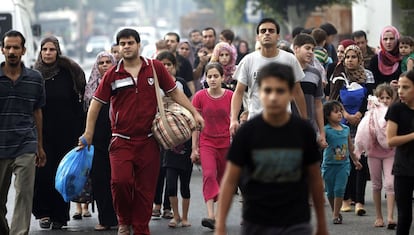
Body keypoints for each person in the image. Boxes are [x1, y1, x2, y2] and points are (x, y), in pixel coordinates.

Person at [78, 28, 204, 235]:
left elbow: (174, 93)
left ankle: (140, 228)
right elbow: (96, 104)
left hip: (148, 141)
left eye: (130, 43)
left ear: (139, 45)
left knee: (145, 191)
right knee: (120, 182)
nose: (126, 47)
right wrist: (88, 133)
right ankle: (124, 220)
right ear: (118, 47)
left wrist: (195, 113)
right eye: (122, 43)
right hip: (120, 141)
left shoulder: (154, 68)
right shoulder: (113, 74)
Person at [215, 62, 327, 235]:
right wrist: (220, 225)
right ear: (259, 93)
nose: (274, 97)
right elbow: (230, 181)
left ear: (291, 93)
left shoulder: (303, 131)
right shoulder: (246, 133)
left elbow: (315, 179)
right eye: (268, 90)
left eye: (280, 91)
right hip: (256, 222)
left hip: (296, 222)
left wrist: (321, 224)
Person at [32, 35, 86, 230]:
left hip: (67, 132)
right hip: (42, 133)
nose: (48, 53)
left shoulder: (69, 72)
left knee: (63, 175)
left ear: (58, 51)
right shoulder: (34, 75)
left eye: (51, 49)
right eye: (44, 49)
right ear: (40, 52)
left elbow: (79, 101)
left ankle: (60, 216)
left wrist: (82, 131)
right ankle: (43, 212)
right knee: (43, 175)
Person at [0, 29, 46, 235]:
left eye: (15, 47)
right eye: (8, 47)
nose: (11, 51)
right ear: (2, 50)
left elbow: (37, 111)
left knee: (23, 196)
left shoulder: (35, 79)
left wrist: (39, 145)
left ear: (23, 50)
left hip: (25, 145)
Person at [230, 18, 307, 136]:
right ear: (258, 37)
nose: (267, 33)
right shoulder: (248, 60)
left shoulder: (289, 59)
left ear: (278, 36)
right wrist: (233, 119)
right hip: (256, 123)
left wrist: (304, 121)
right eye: (263, 31)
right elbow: (239, 92)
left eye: (271, 31)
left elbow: (297, 91)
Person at [329, 44, 373, 216]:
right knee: (344, 160)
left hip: (362, 123)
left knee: (360, 160)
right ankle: (346, 198)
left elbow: (369, 97)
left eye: (354, 57)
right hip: (343, 123)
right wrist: (346, 115)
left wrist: (360, 114)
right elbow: (334, 98)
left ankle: (359, 200)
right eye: (347, 57)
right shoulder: (339, 75)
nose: (350, 60)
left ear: (360, 59)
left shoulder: (367, 74)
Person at [191, 62, 233, 230]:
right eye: (209, 76)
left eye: (216, 76)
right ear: (205, 78)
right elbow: (195, 124)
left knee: (223, 181)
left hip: (226, 143)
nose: (213, 79)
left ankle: (220, 216)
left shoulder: (231, 95)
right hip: (207, 142)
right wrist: (195, 148)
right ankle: (210, 215)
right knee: (208, 175)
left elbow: (236, 119)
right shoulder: (199, 96)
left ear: (222, 77)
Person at [155, 51, 193, 228]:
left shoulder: (181, 84)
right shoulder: (154, 85)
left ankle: (182, 216)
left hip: (184, 136)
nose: (166, 67)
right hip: (164, 136)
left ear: (174, 66)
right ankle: (171, 213)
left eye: (169, 64)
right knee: (168, 179)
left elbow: (190, 105)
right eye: (162, 64)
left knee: (184, 183)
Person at [83, 51, 118, 231]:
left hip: (119, 138)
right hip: (97, 140)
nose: (105, 65)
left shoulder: (121, 85)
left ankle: (121, 216)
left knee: (120, 179)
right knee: (100, 178)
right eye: (101, 62)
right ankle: (105, 218)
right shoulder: (91, 87)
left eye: (108, 62)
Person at [354, 83, 396, 229]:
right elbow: (362, 132)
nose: (384, 100)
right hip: (374, 153)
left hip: (390, 152)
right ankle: (379, 217)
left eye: (388, 97)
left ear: (392, 99)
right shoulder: (370, 113)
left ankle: (390, 217)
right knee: (376, 185)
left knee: (390, 184)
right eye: (381, 97)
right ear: (376, 98)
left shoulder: (394, 113)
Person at [322, 100, 363, 224]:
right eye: (336, 112)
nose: (340, 114)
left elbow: (350, 147)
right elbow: (319, 143)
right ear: (328, 115)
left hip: (343, 165)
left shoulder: (345, 129)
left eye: (340, 111)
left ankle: (335, 215)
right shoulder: (325, 130)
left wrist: (355, 161)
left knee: (339, 189)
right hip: (328, 165)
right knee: (330, 191)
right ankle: (336, 210)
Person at [386, 70, 414, 235]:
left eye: (406, 87)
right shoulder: (396, 109)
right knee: (404, 217)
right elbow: (391, 140)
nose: (401, 91)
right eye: (399, 87)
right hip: (403, 168)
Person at [293, 34, 327, 147]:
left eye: (312, 49)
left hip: (310, 129)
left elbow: (318, 104)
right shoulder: (285, 71)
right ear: (296, 48)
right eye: (307, 48)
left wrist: (321, 132)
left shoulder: (315, 73)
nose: (311, 52)